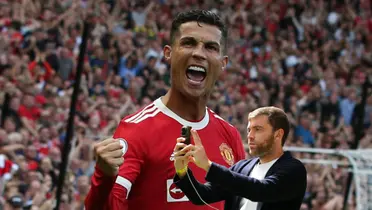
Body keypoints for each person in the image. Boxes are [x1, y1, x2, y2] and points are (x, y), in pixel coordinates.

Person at [84, 9, 246, 210]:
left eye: (211, 47)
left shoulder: (230, 135)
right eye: (189, 43)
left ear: (223, 64)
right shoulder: (137, 129)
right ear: (169, 53)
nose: (198, 53)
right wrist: (104, 178)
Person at [173, 106, 307, 210]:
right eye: (249, 130)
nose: (250, 135)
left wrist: (208, 165)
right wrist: (182, 171)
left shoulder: (294, 169)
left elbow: (260, 191)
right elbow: (202, 195)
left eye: (258, 129)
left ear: (278, 134)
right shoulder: (242, 167)